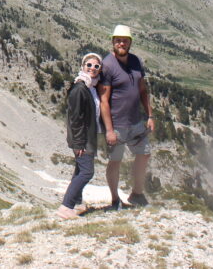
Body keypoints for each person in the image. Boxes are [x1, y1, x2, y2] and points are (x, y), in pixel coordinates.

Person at [98, 24, 154, 209]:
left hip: (136, 120)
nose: (121, 43)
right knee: (115, 161)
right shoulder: (107, 65)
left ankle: (137, 194)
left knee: (144, 154)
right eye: (118, 40)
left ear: (130, 43)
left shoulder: (136, 61)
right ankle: (115, 199)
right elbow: (104, 100)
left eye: (125, 40)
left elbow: (143, 90)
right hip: (117, 124)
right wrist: (109, 130)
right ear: (113, 42)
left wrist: (150, 115)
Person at [56, 53, 104, 219]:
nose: (92, 68)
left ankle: (76, 204)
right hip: (82, 139)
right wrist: (79, 143)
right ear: (83, 66)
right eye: (89, 65)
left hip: (87, 136)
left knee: (79, 170)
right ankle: (66, 207)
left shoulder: (90, 87)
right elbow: (75, 119)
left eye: (96, 66)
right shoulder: (80, 88)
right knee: (86, 172)